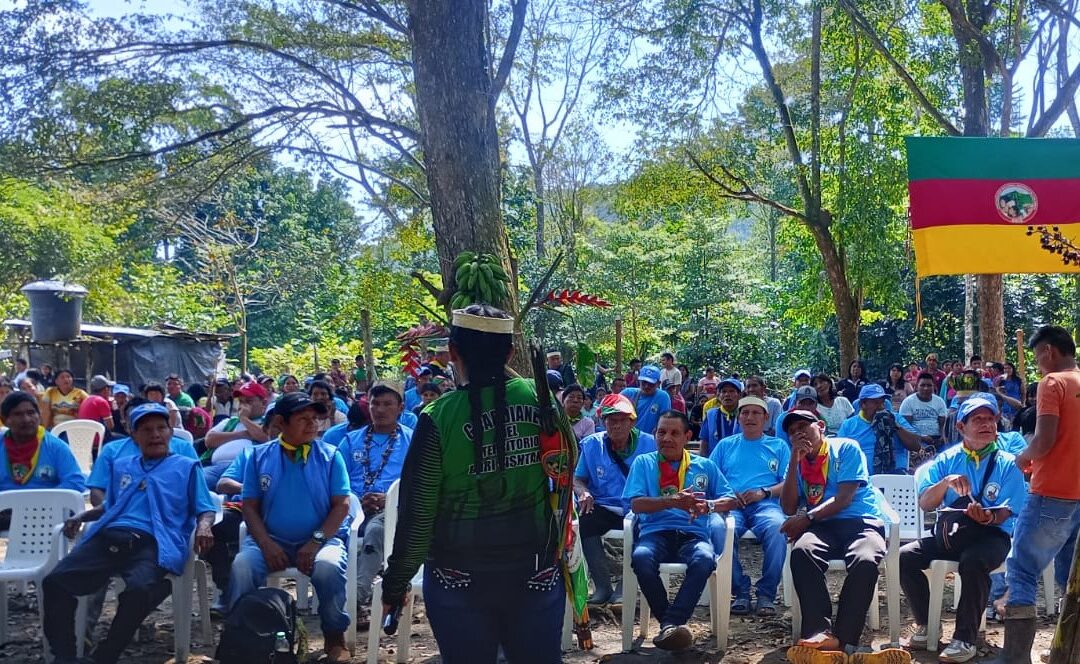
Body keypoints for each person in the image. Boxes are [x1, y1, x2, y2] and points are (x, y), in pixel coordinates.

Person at [381, 305, 567, 663]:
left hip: (457, 576)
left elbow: (418, 514)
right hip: (536, 569)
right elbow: (563, 477)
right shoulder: (543, 402)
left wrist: (396, 581)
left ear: (452, 353)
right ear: (510, 353)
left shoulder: (437, 417)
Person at [42, 403, 215, 664]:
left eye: (160, 428)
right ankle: (64, 656)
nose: (155, 435)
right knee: (55, 582)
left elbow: (205, 507)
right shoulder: (123, 465)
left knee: (139, 590)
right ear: (134, 436)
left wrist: (204, 526)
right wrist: (81, 516)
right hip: (111, 535)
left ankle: (106, 655)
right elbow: (111, 505)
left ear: (170, 431)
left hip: (155, 540)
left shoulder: (187, 467)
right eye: (146, 430)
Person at [227, 392, 353, 663]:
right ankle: (240, 640)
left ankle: (334, 636)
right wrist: (266, 544)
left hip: (321, 539)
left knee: (329, 567)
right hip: (270, 538)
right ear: (281, 423)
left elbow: (341, 505)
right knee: (242, 566)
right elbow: (248, 505)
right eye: (303, 419)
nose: (312, 425)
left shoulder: (330, 456)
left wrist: (316, 541)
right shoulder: (259, 456)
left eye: (315, 419)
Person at [899, 397, 1026, 663]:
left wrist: (988, 518)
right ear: (960, 426)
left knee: (974, 561)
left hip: (992, 535)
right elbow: (926, 503)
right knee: (906, 556)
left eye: (990, 419)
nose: (987, 424)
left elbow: (1008, 511)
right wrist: (945, 483)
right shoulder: (946, 460)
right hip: (952, 533)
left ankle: (965, 639)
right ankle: (925, 624)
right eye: (978, 419)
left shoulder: (1007, 463)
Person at [779, 409, 899, 661]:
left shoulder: (846, 447)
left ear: (820, 426)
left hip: (861, 522)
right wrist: (792, 461)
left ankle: (843, 641)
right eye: (791, 432)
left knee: (866, 561)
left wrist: (808, 517)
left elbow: (844, 498)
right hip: (822, 527)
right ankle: (819, 632)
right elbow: (789, 508)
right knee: (802, 553)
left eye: (803, 426)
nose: (798, 433)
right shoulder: (798, 461)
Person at [994, 326, 1080, 663]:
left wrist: (1023, 456)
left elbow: (1044, 440)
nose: (1038, 365)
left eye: (1037, 357)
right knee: (1069, 577)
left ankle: (1014, 658)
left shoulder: (1053, 383)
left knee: (1022, 570)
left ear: (1049, 351)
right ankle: (1067, 653)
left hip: (1053, 493)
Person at [624, 410, 738, 650]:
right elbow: (635, 504)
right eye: (661, 432)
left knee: (705, 558)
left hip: (693, 534)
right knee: (641, 557)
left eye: (674, 433)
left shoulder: (704, 466)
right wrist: (672, 501)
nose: (666, 438)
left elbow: (730, 500)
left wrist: (707, 505)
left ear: (687, 436)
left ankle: (670, 624)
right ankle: (671, 625)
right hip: (655, 533)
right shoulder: (644, 463)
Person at [708, 396, 789, 617]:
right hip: (732, 504)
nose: (750, 417)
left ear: (766, 417)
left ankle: (766, 593)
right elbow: (709, 476)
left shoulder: (778, 446)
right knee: (717, 528)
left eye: (756, 413)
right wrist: (728, 493)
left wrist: (763, 492)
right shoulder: (726, 445)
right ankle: (740, 591)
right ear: (739, 417)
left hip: (765, 504)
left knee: (778, 528)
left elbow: (789, 482)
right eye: (745, 413)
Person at [574, 394, 657, 606]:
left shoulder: (650, 444)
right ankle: (602, 585)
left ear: (632, 421)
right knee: (584, 522)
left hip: (636, 505)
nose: (616, 425)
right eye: (611, 420)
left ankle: (626, 586)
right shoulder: (592, 445)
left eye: (622, 420)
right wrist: (583, 491)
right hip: (603, 504)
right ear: (602, 421)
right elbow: (578, 478)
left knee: (644, 529)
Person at [338, 382, 412, 613]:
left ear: (401, 407)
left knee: (377, 529)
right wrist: (357, 500)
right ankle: (334, 593)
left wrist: (390, 499)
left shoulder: (413, 440)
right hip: (353, 508)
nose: (380, 410)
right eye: (375, 404)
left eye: (387, 404)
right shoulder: (351, 441)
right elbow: (336, 480)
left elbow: (420, 480)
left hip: (395, 510)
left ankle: (356, 597)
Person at [0, 392, 86, 528]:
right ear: (5, 420)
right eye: (18, 414)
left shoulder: (56, 447)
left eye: (31, 413)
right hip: (4, 512)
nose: (26, 419)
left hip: (45, 512)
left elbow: (75, 482)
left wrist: (39, 502)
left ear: (39, 415)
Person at [837, 384, 927, 475]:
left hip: (896, 477)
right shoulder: (848, 425)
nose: (881, 407)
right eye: (876, 403)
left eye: (883, 402)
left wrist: (895, 426)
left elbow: (916, 446)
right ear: (862, 404)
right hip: (861, 477)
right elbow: (839, 454)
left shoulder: (895, 418)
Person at [204, 381, 270, 451]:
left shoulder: (269, 422)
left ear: (263, 403)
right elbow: (209, 440)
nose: (243, 405)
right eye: (241, 401)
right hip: (216, 461)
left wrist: (244, 418)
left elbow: (267, 438)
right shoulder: (231, 421)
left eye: (248, 401)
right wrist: (243, 434)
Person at [620, 365, 671, 435]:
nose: (646, 386)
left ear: (658, 384)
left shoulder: (663, 397)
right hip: (628, 439)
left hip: (651, 440)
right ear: (639, 381)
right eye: (644, 382)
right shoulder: (627, 393)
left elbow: (665, 422)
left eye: (651, 384)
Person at [698, 377, 743, 456]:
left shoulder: (745, 414)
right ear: (718, 395)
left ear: (739, 395)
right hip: (715, 463)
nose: (727, 395)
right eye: (724, 391)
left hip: (739, 462)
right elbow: (704, 442)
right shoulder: (710, 415)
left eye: (731, 391)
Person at [899, 373, 948, 446]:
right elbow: (905, 426)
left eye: (929, 385)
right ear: (916, 387)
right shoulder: (908, 402)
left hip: (936, 439)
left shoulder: (940, 401)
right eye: (922, 385)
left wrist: (942, 437)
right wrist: (921, 436)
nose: (926, 388)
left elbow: (943, 425)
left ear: (933, 387)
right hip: (915, 440)